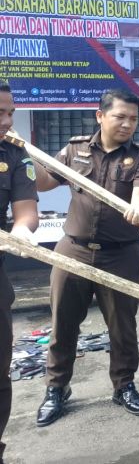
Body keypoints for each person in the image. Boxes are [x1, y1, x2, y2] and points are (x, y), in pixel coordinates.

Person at [33, 89, 139, 426]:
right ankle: (57, 388)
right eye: (120, 116)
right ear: (100, 116)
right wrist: (25, 159)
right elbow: (44, 183)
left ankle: (124, 386)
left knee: (122, 327)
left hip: (121, 256)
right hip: (72, 250)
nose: (128, 124)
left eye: (133, 118)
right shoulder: (75, 150)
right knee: (62, 325)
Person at [0, 83, 39, 456]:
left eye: (10, 112)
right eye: (0, 113)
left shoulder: (13, 154)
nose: (8, 121)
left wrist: (21, 231)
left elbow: (25, 209)